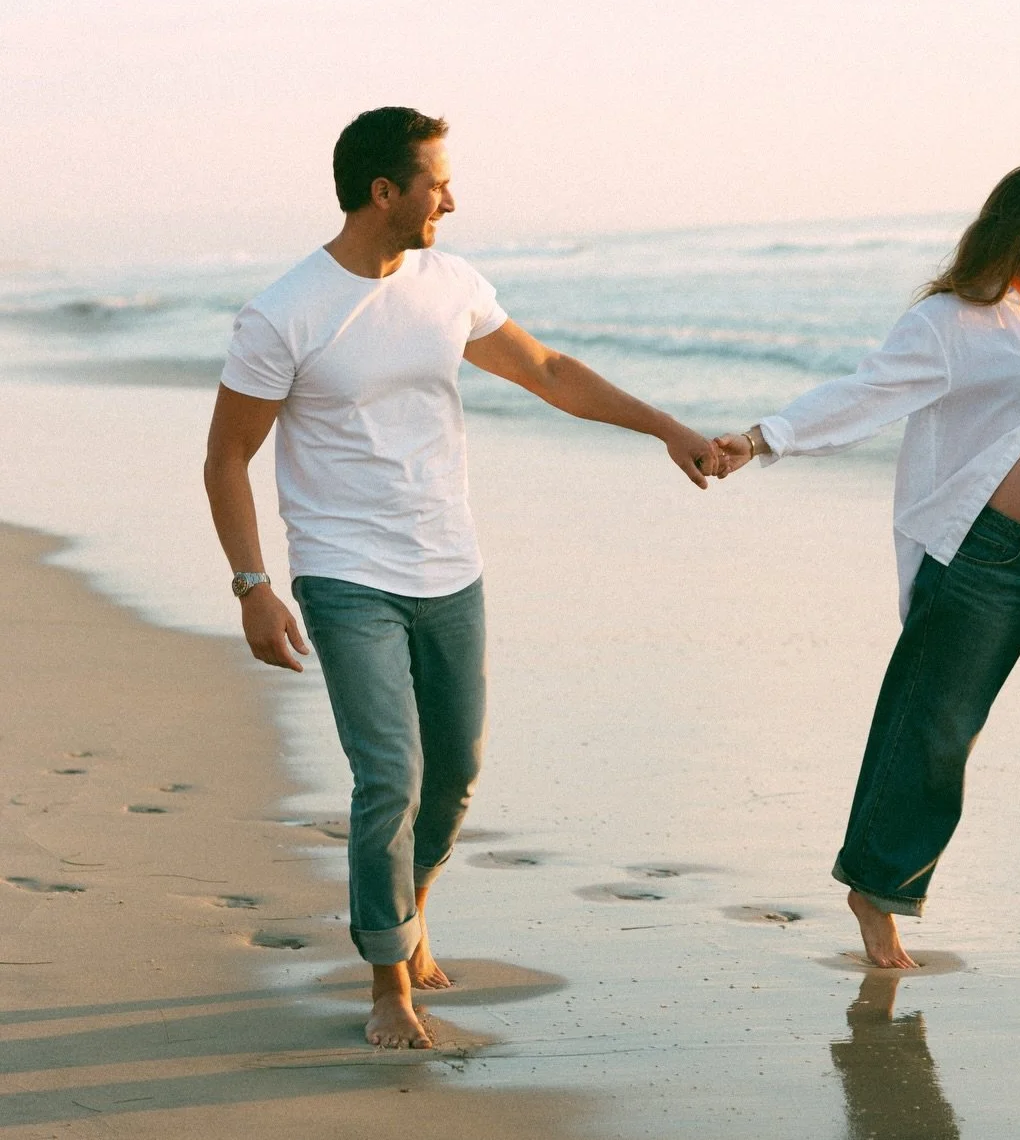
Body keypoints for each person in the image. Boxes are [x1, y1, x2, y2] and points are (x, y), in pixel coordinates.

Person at [204, 106, 720, 1050]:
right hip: (343, 573)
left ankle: (409, 907)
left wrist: (668, 430)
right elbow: (228, 457)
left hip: (450, 566)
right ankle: (388, 984)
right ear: (383, 191)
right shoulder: (285, 311)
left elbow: (550, 371)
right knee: (389, 776)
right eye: (438, 181)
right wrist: (253, 585)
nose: (455, 197)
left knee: (456, 778)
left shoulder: (451, 284)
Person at [715, 164, 1020, 998]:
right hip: (983, 564)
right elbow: (865, 396)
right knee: (933, 732)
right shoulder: (950, 322)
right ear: (1008, 233)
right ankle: (877, 891)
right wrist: (761, 439)